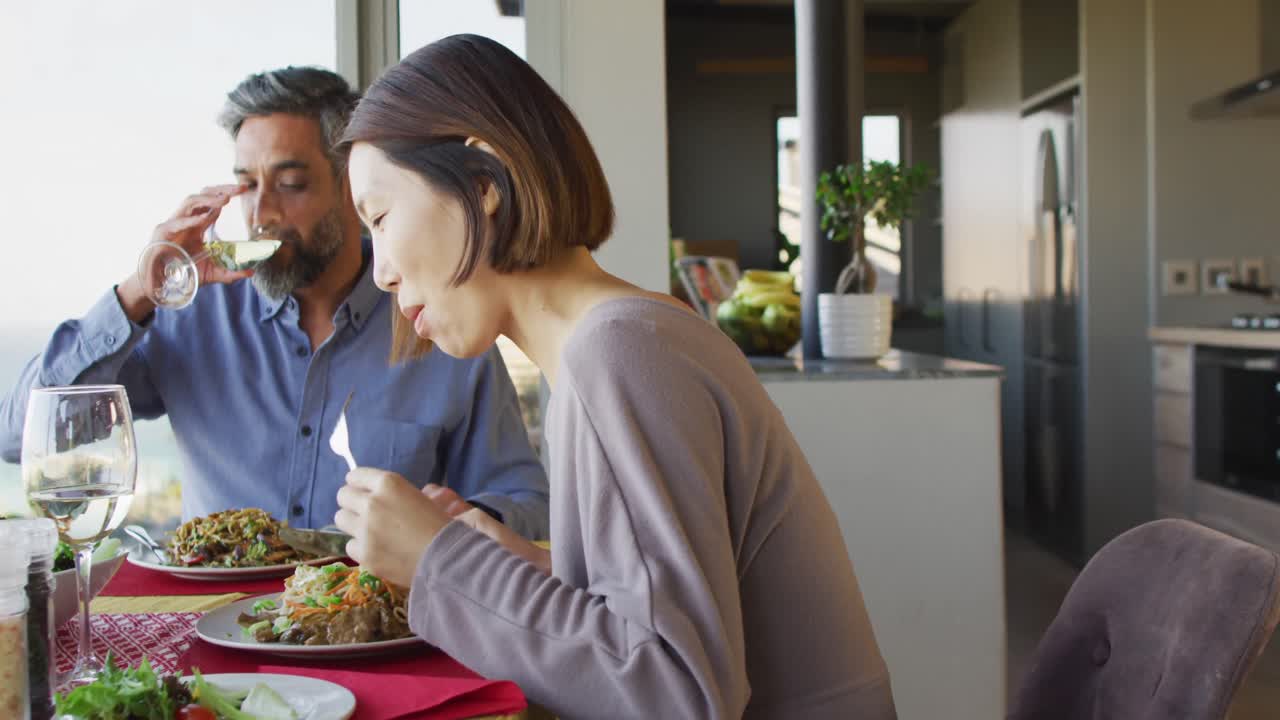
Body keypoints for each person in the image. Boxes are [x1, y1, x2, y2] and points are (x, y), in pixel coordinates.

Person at [334, 35, 896, 719]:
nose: (381, 271)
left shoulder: (617, 353)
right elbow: (665, 614)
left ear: (482, 181)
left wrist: (439, 561)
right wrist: (516, 565)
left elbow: (677, 692)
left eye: (381, 217)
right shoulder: (624, 334)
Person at [0, 66, 549, 539]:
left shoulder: (438, 319)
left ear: (349, 188)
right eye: (247, 185)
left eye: (290, 183)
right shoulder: (187, 315)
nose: (262, 213)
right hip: (216, 642)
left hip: (372, 630)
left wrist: (463, 517)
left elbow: (526, 502)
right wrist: (138, 292)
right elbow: (23, 435)